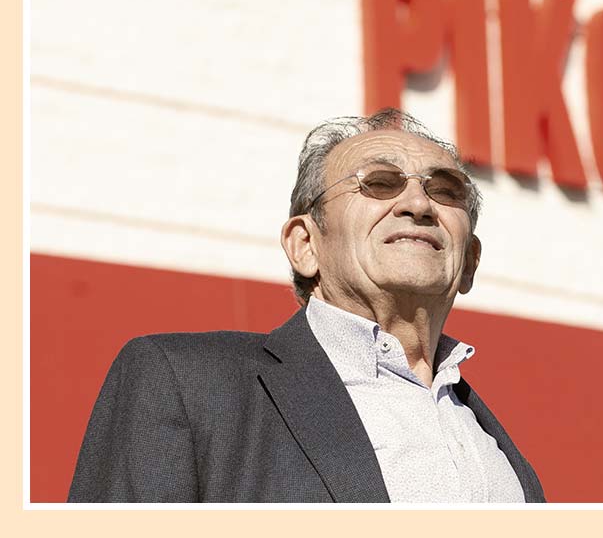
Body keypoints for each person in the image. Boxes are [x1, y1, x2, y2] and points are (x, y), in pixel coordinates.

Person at [68, 109, 545, 503]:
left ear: (469, 263)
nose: (418, 203)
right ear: (305, 245)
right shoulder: (183, 383)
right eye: (379, 182)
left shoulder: (506, 458)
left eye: (445, 190)